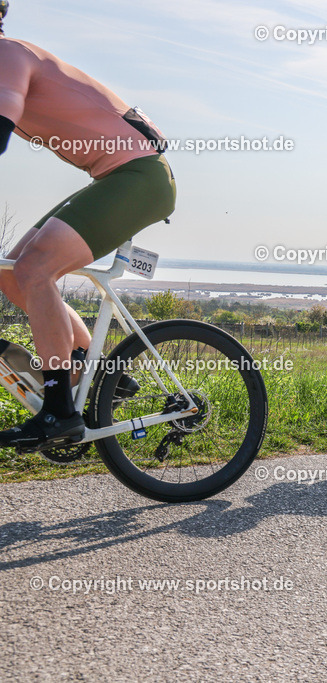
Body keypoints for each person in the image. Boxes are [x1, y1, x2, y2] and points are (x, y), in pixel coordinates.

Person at [0, 3, 176, 449]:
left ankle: (58, 411)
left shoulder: (8, 56)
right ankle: (91, 368)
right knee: (11, 271)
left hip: (139, 177)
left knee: (35, 269)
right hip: (116, 176)